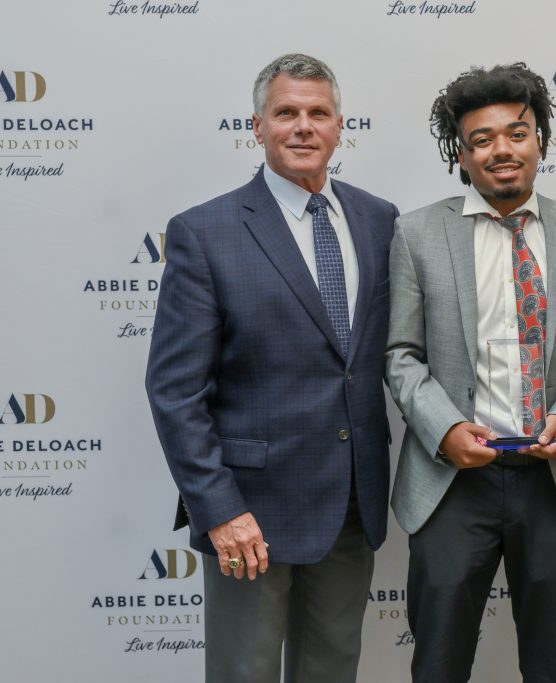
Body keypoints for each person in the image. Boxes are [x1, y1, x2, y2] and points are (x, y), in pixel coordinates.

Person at [145, 53, 398, 683]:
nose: (303, 126)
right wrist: (218, 509)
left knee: (333, 670)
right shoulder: (205, 231)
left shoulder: (380, 220)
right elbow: (175, 391)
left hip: (351, 502)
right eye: (286, 112)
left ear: (340, 126)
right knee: (245, 672)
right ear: (257, 126)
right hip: (249, 512)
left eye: (318, 113)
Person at [386, 62, 556, 683]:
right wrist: (445, 429)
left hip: (552, 480)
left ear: (539, 139)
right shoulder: (416, 234)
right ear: (461, 156)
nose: (502, 150)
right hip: (452, 481)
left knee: (551, 663)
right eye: (482, 139)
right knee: (438, 663)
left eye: (517, 133)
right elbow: (400, 355)